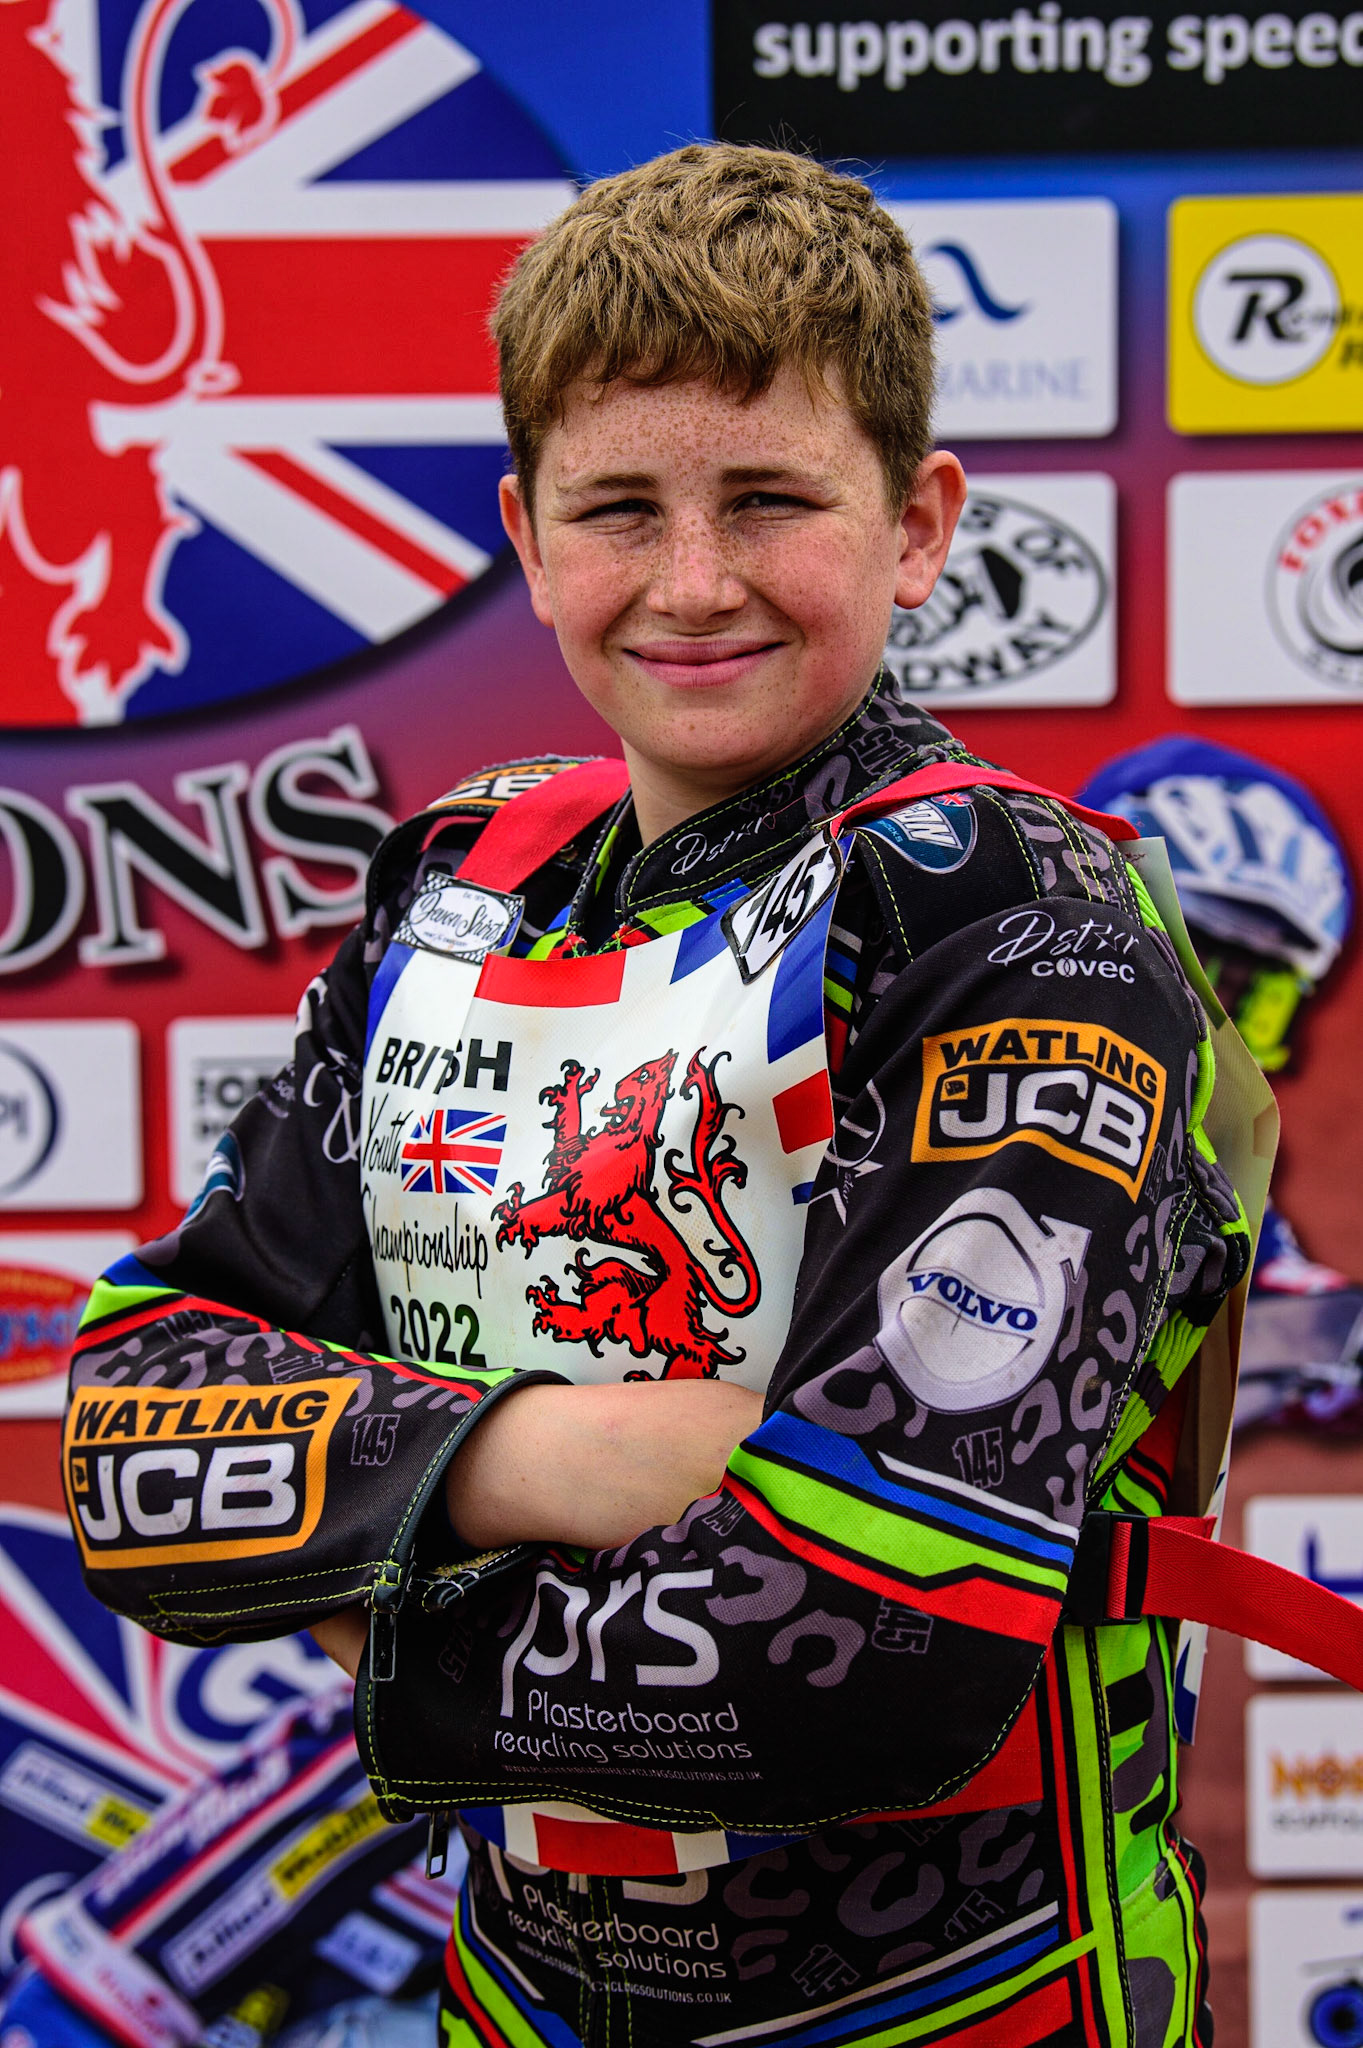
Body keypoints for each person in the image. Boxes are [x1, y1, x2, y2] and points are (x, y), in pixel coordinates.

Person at [60, 146, 1256, 2046]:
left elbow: (865, 1646)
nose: (692, 583)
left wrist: (362, 1576)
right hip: (515, 1994)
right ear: (529, 539)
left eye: (768, 499)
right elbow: (132, 1424)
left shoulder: (1015, 921)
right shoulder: (457, 881)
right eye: (618, 509)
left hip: (966, 2000)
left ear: (916, 524)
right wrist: (550, 1457)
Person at [1079, 735, 1363, 1433]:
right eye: (1192, 965)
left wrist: (1327, 1338)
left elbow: (1295, 1307)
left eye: (1258, 1000)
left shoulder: (1221, 1181)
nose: (1213, 1030)